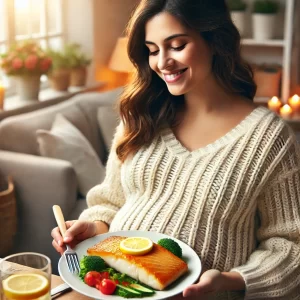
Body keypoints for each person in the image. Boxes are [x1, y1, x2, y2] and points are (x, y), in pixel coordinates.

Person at [52, 0, 300, 299]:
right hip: (112, 287)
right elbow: (111, 200)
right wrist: (93, 225)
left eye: (177, 45)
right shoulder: (142, 116)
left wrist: (232, 281)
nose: (162, 62)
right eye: (153, 50)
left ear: (214, 40)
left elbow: (290, 245)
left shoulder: (268, 137)